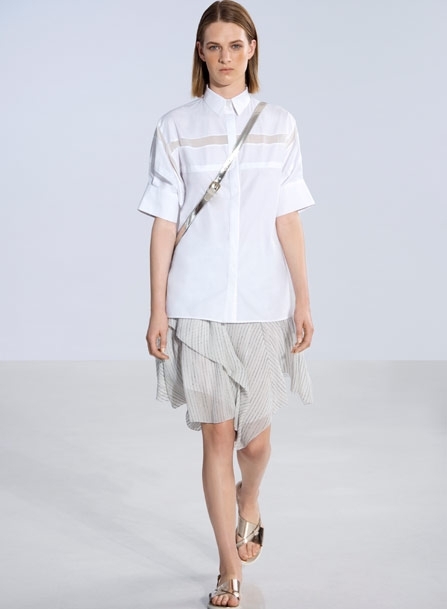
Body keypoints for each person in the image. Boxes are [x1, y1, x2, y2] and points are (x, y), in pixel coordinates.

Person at [138, 1, 315, 606]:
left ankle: (250, 496)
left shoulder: (280, 124)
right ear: (200, 53)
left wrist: (304, 299)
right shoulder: (176, 126)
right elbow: (164, 223)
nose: (225, 57)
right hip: (198, 301)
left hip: (264, 301)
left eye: (235, 45)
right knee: (216, 435)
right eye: (213, 46)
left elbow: (287, 218)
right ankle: (227, 566)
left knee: (255, 442)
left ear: (252, 49)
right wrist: (157, 308)